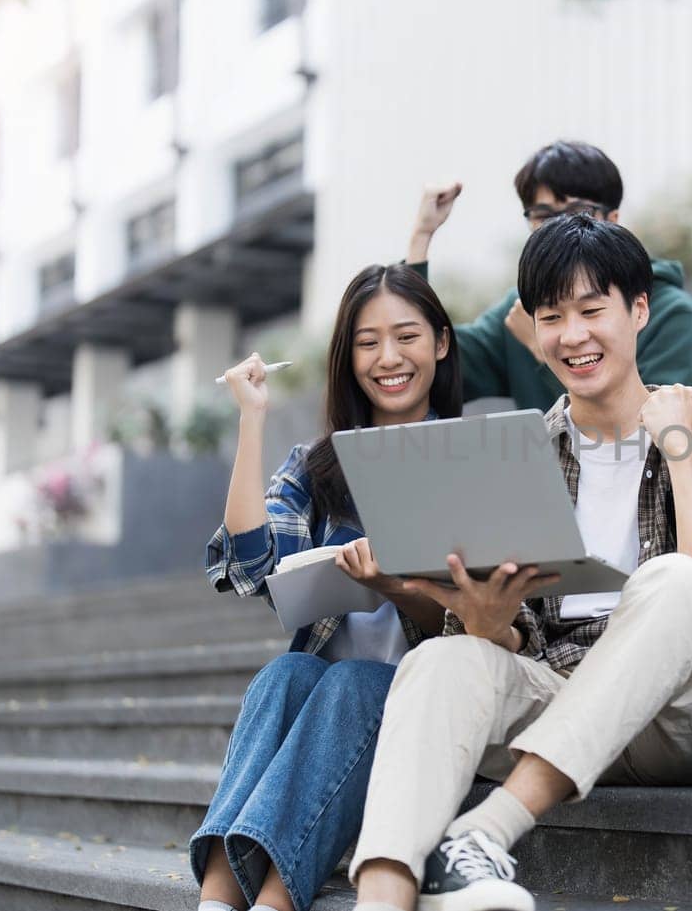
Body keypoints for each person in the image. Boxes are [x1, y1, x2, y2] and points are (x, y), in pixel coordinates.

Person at [347, 215, 692, 911]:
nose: (572, 335)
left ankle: (488, 829)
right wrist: (490, 625)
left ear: (639, 310)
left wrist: (677, 446)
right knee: (435, 661)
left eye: (591, 310)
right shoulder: (518, 455)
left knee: (672, 578)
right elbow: (509, 647)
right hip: (561, 697)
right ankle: (383, 896)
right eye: (551, 316)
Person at [191, 264, 464, 911]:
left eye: (406, 337)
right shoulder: (321, 464)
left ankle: (275, 903)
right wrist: (252, 420)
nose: (388, 358)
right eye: (368, 342)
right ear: (348, 357)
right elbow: (253, 566)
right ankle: (214, 902)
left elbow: (479, 621)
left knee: (352, 682)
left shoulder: (467, 457)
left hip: (427, 704)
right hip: (326, 706)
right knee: (283, 675)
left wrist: (396, 586)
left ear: (441, 344)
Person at [407, 139, 692, 409]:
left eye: (578, 211)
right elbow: (429, 366)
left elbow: (655, 434)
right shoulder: (523, 307)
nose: (563, 226)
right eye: (543, 215)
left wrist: (543, 350)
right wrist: (421, 237)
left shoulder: (669, 311)